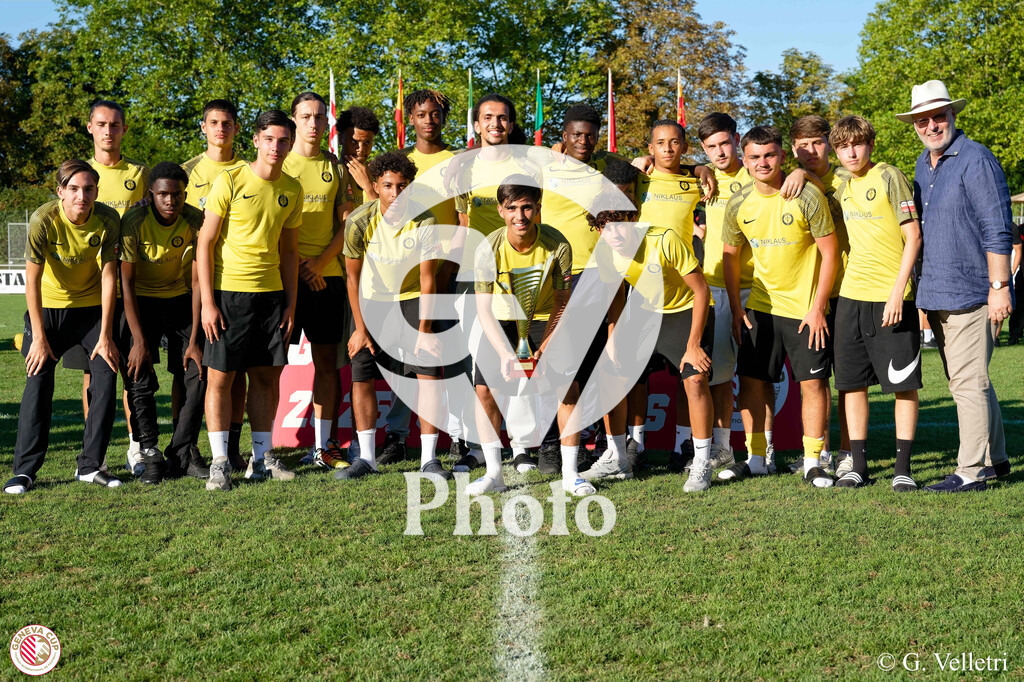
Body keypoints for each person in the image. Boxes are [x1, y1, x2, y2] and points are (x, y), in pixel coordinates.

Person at [897, 80, 1014, 492]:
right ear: (914, 125)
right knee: (973, 380)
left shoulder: (976, 159)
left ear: (953, 116)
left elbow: (998, 229)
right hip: (939, 292)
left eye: (938, 116)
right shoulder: (922, 164)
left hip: (972, 291)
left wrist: (999, 286)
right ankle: (996, 461)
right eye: (923, 120)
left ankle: (971, 471)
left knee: (968, 383)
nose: (931, 126)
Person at [719, 126, 839, 488]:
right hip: (760, 307)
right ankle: (758, 459)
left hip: (806, 310)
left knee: (813, 384)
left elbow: (830, 253)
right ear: (745, 159)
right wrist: (739, 311)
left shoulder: (806, 195)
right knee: (754, 383)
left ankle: (813, 461)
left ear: (782, 156)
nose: (762, 163)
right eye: (754, 157)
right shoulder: (739, 202)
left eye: (769, 155)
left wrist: (818, 307)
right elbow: (729, 255)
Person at [197, 110, 303, 491]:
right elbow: (204, 244)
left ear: (290, 145)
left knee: (265, 378)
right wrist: (209, 303)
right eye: (270, 139)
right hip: (228, 296)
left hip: (272, 298)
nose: (276, 147)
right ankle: (221, 462)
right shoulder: (230, 180)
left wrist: (290, 303)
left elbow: (289, 252)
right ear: (256, 140)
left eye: (283, 140)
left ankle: (262, 459)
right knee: (220, 379)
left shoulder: (293, 188)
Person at [469, 179, 593, 496]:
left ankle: (570, 475)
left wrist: (545, 348)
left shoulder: (558, 245)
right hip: (502, 318)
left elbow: (563, 304)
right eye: (512, 208)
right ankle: (494, 473)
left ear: (538, 209)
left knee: (568, 389)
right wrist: (505, 355)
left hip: (545, 318)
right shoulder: (488, 249)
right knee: (484, 390)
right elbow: (483, 309)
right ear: (500, 211)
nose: (520, 216)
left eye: (526, 207)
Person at [4, 160, 122, 494]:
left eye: (88, 189)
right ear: (60, 191)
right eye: (73, 189)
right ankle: (25, 471)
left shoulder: (108, 218)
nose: (81, 195)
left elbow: (110, 276)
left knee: (106, 374)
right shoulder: (44, 219)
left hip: (91, 311)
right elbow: (32, 281)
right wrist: (39, 338)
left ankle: (90, 466)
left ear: (96, 192)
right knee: (38, 380)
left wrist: (106, 334)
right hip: (49, 309)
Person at [588, 200, 716, 492]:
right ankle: (618, 459)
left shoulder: (664, 238)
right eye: (606, 228)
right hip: (645, 313)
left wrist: (694, 344)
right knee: (609, 374)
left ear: (634, 218)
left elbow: (701, 290)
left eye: (622, 224)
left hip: (686, 311)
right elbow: (617, 296)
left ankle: (701, 463)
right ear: (597, 230)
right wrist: (613, 338)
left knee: (695, 379)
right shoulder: (606, 251)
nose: (615, 234)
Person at [340, 151, 448, 481]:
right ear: (375, 186)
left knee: (428, 373)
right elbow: (353, 279)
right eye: (388, 186)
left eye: (403, 186)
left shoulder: (427, 221)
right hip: (373, 303)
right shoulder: (359, 221)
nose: (396, 193)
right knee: (363, 372)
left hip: (414, 300)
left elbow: (429, 279)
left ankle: (429, 459)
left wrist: (424, 329)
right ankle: (367, 458)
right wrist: (360, 328)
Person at [828, 116, 923, 491]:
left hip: (891, 297)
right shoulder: (841, 184)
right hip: (852, 297)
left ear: (870, 144)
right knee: (852, 385)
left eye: (858, 144)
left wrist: (899, 291)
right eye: (843, 146)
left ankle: (903, 467)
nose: (851, 152)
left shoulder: (888, 175)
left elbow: (913, 237)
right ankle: (858, 464)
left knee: (902, 384)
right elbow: (812, 177)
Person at [379, 88, 459, 466]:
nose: (429, 120)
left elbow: (464, 221)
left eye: (435, 114)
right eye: (421, 114)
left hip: (447, 276)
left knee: (452, 360)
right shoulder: (400, 163)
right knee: (404, 365)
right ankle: (397, 436)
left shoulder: (457, 161)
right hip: (405, 284)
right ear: (409, 118)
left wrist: (452, 268)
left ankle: (458, 436)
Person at [119, 162, 210, 484]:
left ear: (185, 194)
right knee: (138, 376)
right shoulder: (134, 220)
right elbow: (126, 283)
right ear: (150, 195)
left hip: (179, 299)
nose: (170, 201)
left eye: (177, 194)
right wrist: (138, 339)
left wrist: (196, 338)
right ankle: (150, 452)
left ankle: (182, 450)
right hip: (139, 303)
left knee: (198, 373)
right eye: (163, 195)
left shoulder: (194, 219)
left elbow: (199, 282)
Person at [77, 100, 150, 474]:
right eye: (102, 124)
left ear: (124, 129)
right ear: (89, 127)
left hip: (127, 289)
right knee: (95, 374)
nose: (108, 130)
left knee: (131, 372)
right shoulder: (78, 173)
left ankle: (137, 448)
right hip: (87, 292)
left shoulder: (138, 173)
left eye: (115, 125)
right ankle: (97, 451)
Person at [282, 92, 350, 470]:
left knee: (327, 363)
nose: (313, 122)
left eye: (319, 116)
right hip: (285, 279)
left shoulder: (335, 169)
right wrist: (295, 269)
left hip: (327, 278)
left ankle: (324, 447)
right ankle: (261, 450)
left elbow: (347, 225)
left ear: (327, 123)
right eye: (306, 116)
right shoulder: (278, 163)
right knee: (268, 367)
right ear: (294, 120)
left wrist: (321, 263)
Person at [181, 99, 250, 472]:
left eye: (227, 122)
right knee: (189, 371)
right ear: (203, 127)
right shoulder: (188, 170)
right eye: (214, 122)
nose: (220, 128)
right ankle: (186, 448)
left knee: (234, 372)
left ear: (237, 129)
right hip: (188, 284)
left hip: (233, 284)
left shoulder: (249, 170)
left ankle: (232, 447)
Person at [631, 120, 704, 471]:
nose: (668, 149)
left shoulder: (697, 180)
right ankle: (635, 444)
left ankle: (683, 444)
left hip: (683, 289)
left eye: (675, 142)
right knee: (634, 377)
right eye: (661, 143)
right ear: (650, 149)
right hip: (641, 292)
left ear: (685, 147)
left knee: (686, 376)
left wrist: (702, 168)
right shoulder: (638, 177)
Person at [787, 115, 850, 475]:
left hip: (850, 288)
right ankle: (820, 452)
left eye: (817, 142)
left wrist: (810, 178)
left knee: (848, 378)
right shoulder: (785, 181)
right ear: (792, 148)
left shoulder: (846, 177)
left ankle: (847, 453)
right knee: (815, 377)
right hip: (809, 295)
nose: (810, 151)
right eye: (802, 145)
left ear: (829, 143)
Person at [339, 106, 380, 213]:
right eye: (354, 142)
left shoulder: (379, 176)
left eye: (367, 143)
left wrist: (369, 187)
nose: (361, 149)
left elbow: (386, 219)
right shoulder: (330, 171)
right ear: (340, 139)